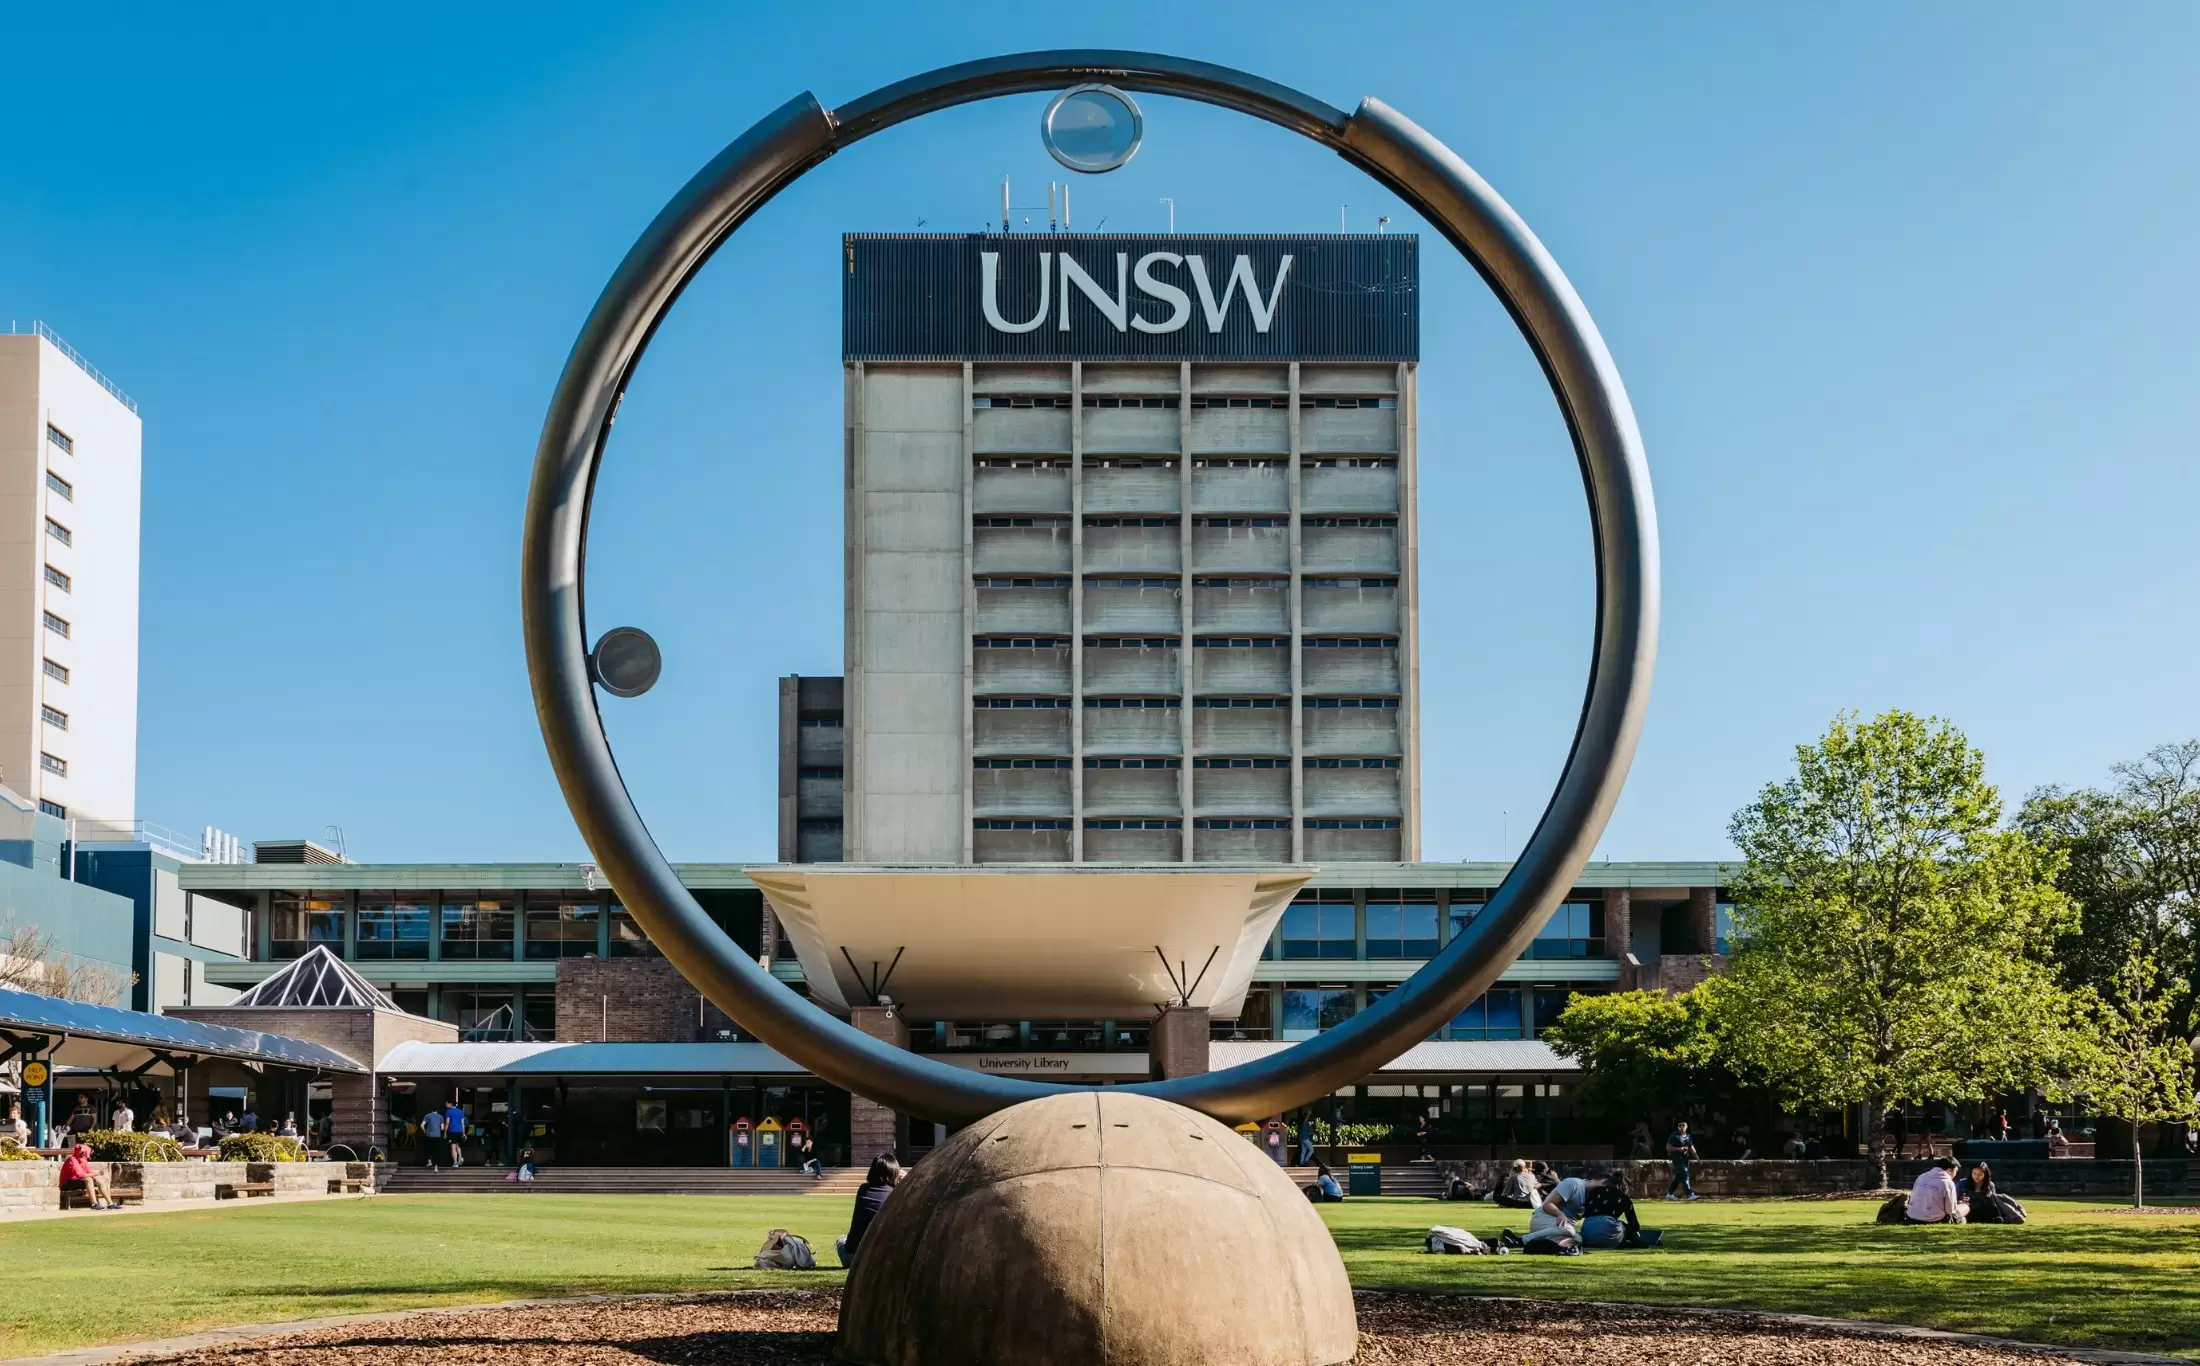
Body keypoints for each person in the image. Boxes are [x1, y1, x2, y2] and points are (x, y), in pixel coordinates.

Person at [837, 1154, 901, 1266]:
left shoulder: (864, 1190)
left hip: (855, 1258)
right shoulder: (896, 1194)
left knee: (841, 1240)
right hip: (883, 1258)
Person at [1581, 1168, 1645, 1247]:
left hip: (1587, 1231)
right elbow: (1634, 1225)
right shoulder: (1623, 1198)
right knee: (1625, 1227)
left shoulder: (1593, 1193)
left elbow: (1584, 1213)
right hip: (1609, 1231)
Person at [1905, 1156, 1967, 1224]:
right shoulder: (1948, 1183)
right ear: (1950, 1170)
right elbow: (1950, 1211)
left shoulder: (1921, 1177)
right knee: (1965, 1207)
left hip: (1911, 1217)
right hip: (1934, 1220)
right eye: (1956, 1171)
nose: (1955, 1174)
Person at [58, 1142, 119, 1210]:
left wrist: (98, 1173)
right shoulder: (72, 1159)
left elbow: (88, 1172)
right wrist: (97, 1173)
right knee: (88, 1179)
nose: (84, 1154)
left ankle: (110, 1204)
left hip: (77, 1180)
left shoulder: (83, 1160)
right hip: (66, 1183)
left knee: (99, 1180)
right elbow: (81, 1175)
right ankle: (94, 1204)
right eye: (82, 1152)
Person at [1665, 1120, 1698, 1201]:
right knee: (1684, 1174)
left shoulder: (1688, 1136)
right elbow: (1668, 1147)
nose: (1682, 1127)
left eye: (1683, 1125)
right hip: (1677, 1159)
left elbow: (1691, 1147)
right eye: (1680, 1125)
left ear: (1686, 1127)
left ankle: (1670, 1193)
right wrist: (1678, 1149)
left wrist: (1697, 1158)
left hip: (1685, 1159)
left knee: (1679, 1177)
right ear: (1678, 1127)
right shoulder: (1674, 1136)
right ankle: (1690, 1194)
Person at [442, 1100, 467, 1168]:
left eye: (447, 1103)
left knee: (453, 1147)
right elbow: (462, 1123)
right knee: (458, 1145)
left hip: (452, 1131)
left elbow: (447, 1123)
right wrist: (463, 1133)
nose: (446, 1105)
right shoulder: (461, 1112)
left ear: (450, 1104)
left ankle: (455, 1162)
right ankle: (461, 1156)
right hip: (459, 1131)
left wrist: (445, 1132)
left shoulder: (448, 1111)